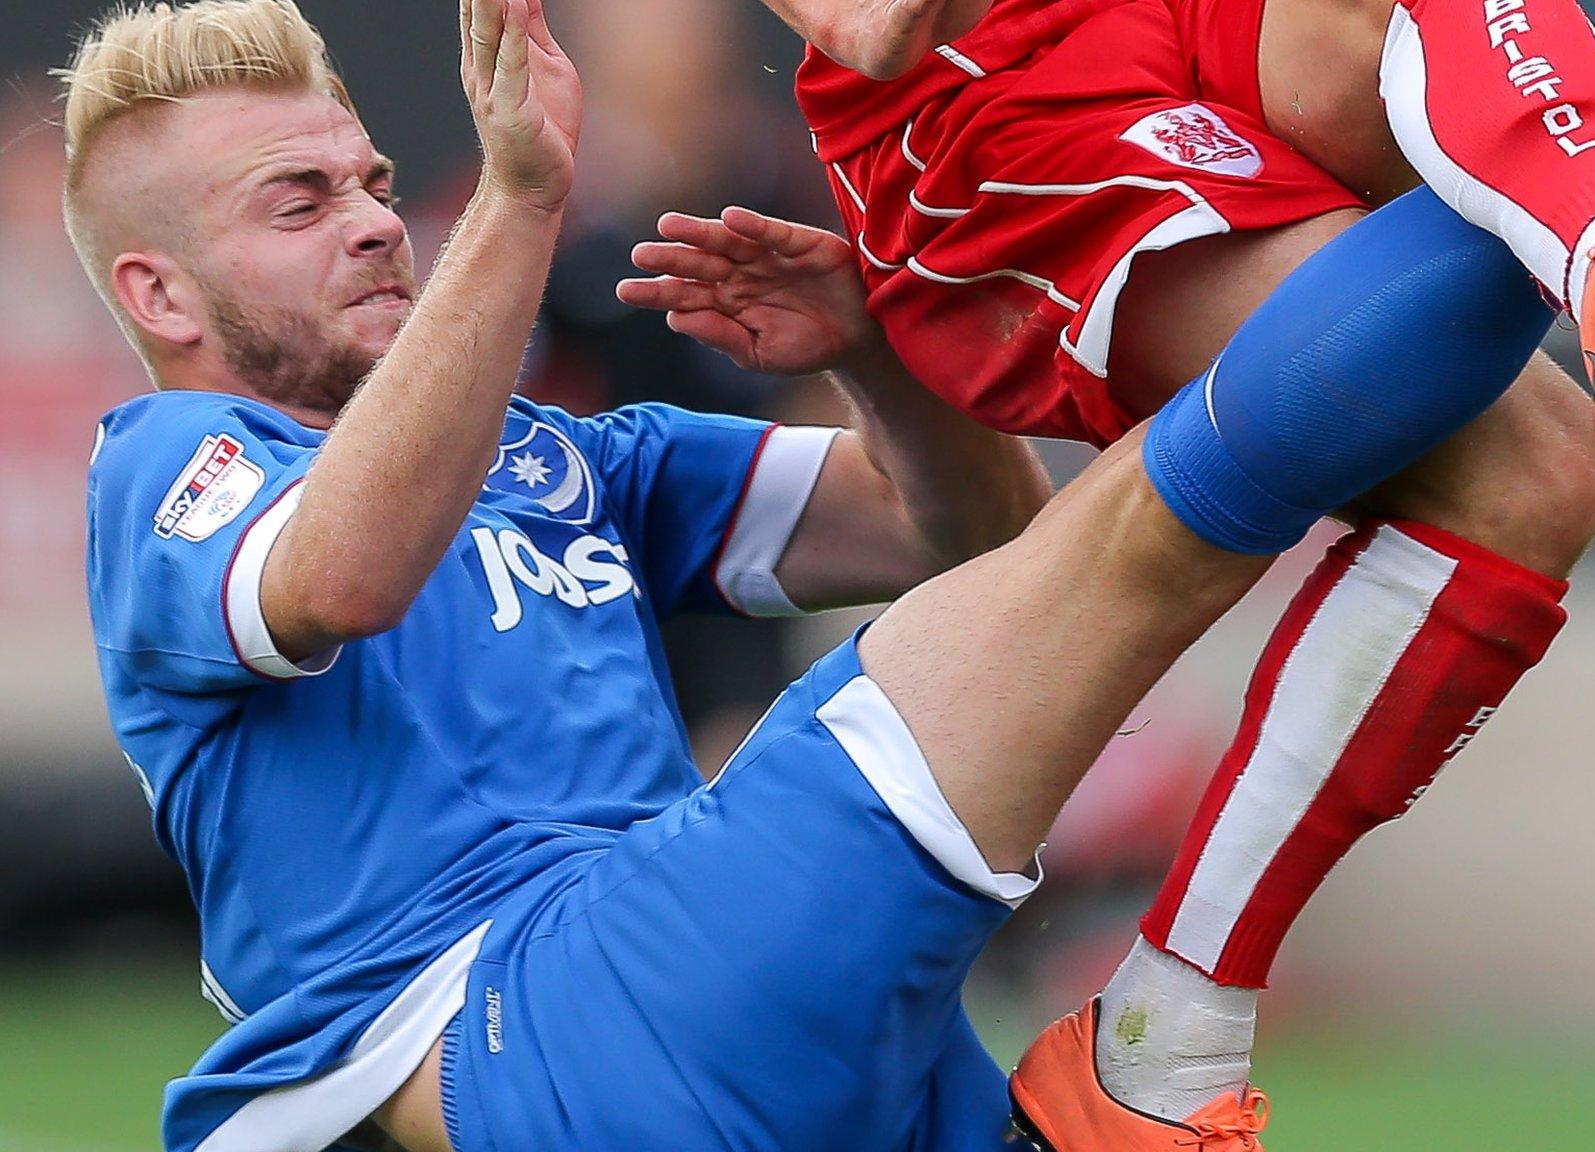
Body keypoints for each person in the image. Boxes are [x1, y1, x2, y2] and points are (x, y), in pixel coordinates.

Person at [620, 0, 1595, 1144]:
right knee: (1524, 473)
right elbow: (876, 23)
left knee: (1535, 485)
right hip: (988, 116)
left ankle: (1159, 1038)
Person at [67, 1, 1051, 1149]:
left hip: (653, 972)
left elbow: (970, 537)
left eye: (374, 185)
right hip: (468, 1019)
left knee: (1043, 599)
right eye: (302, 201)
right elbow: (339, 581)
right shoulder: (163, 470)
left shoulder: (560, 456)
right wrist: (522, 195)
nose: (376, 225)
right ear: (161, 296)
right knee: (1023, 617)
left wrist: (877, 357)